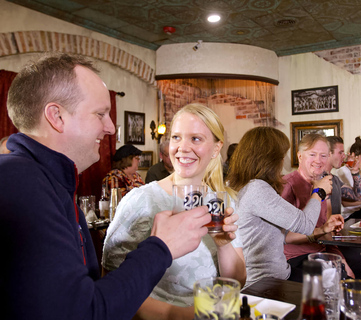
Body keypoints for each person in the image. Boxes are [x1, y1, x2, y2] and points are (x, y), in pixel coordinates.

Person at [0, 53, 211, 320]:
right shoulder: (19, 181)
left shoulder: (49, 181)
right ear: (57, 116)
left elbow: (84, 292)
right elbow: (82, 313)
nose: (111, 128)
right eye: (101, 114)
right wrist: (161, 247)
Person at [103, 104, 245, 318]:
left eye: (195, 139)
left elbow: (237, 281)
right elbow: (109, 283)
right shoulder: (142, 200)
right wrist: (181, 315)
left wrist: (223, 245)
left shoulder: (220, 201)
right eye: (176, 137)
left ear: (217, 148)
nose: (182, 147)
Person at [227, 127, 336, 286]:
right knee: (330, 282)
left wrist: (322, 230)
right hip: (265, 282)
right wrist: (318, 192)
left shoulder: (247, 185)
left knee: (331, 276)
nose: (283, 162)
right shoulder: (257, 189)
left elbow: (283, 235)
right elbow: (305, 224)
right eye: (281, 156)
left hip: (280, 273)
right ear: (270, 159)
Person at [281, 134, 354, 280]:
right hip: (295, 258)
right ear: (300, 156)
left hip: (322, 252)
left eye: (323, 155)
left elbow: (325, 232)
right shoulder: (287, 185)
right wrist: (322, 230)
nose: (318, 161)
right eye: (312, 154)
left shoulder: (324, 185)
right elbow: (285, 237)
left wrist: (342, 260)